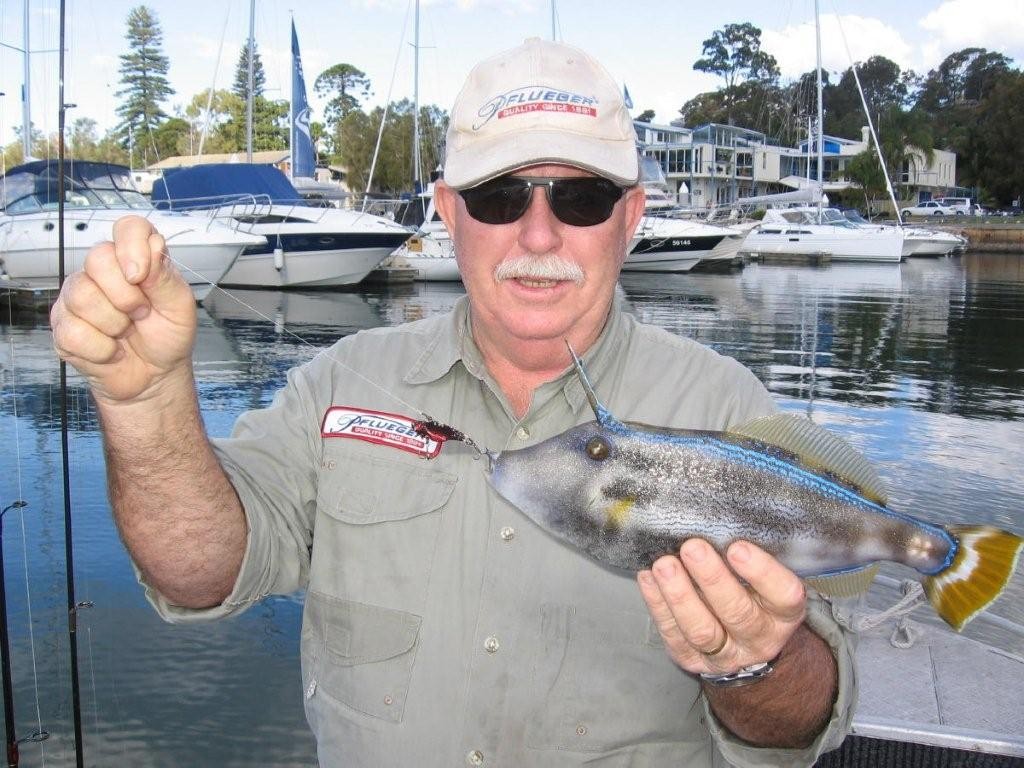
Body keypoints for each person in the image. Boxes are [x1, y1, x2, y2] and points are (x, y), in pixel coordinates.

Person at [50, 38, 855, 767]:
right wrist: (148, 403)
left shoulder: (726, 406)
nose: (539, 237)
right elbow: (201, 575)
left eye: (580, 200)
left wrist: (758, 661)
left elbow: (802, 718)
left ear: (631, 218)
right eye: (501, 197)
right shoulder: (336, 386)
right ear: (447, 212)